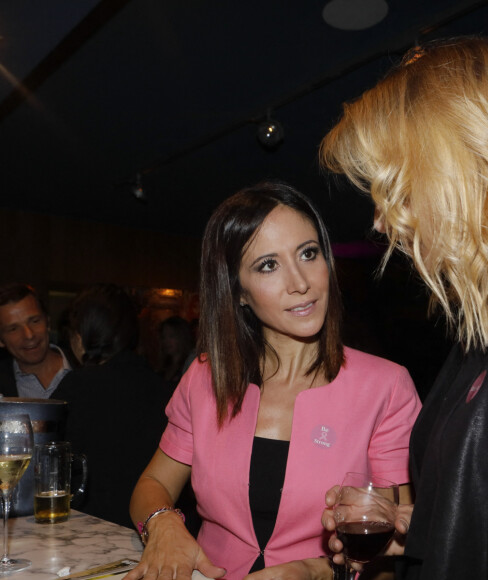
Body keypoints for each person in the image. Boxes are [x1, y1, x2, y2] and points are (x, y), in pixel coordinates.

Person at [319, 36, 488, 578]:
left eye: (398, 187)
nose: (382, 221)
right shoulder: (481, 338)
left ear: (461, 166)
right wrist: (416, 530)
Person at [126, 181, 421, 579]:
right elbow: (153, 483)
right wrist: (162, 524)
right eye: (268, 264)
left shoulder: (386, 387)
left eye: (308, 253)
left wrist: (314, 571)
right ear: (239, 293)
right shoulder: (205, 376)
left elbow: (387, 546)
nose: (300, 282)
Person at [52, 283, 170, 528]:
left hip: (91, 533)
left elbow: (45, 464)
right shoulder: (165, 388)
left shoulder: (77, 387)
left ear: (82, 334)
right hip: (151, 529)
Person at [0, 282, 71, 398]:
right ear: (1, 340)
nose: (29, 335)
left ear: (48, 322)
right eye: (13, 329)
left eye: (35, 321)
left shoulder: (85, 368)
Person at [156, 315, 196, 389]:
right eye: (164, 337)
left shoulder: (191, 363)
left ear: (182, 337)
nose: (166, 341)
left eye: (171, 336)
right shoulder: (164, 365)